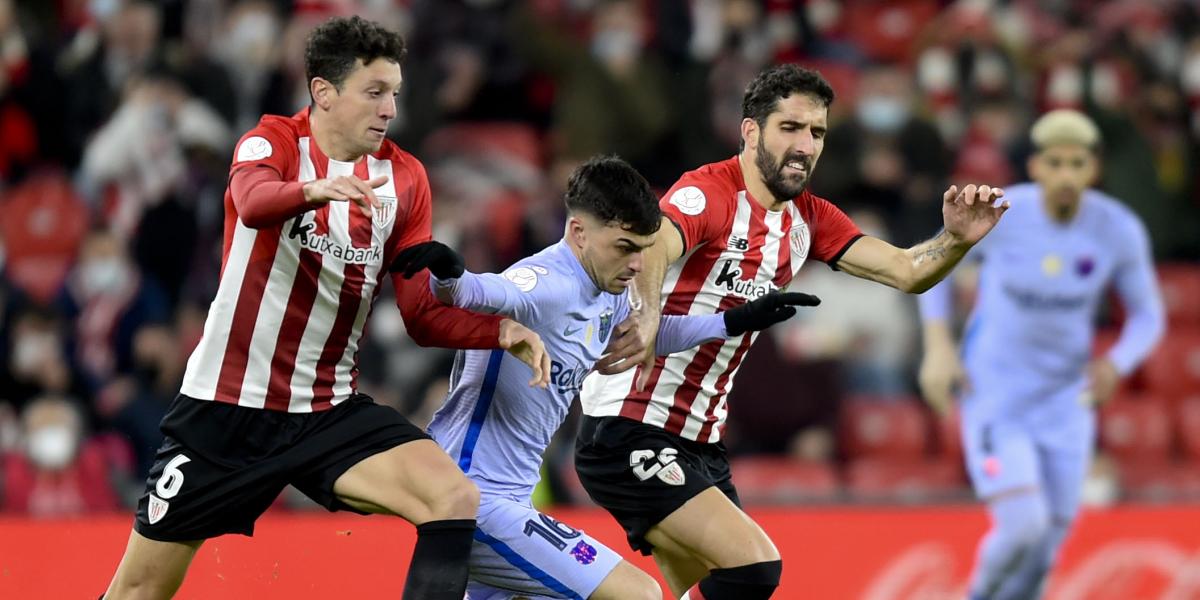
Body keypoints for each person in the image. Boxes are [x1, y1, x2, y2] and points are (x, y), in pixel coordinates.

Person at [102, 16, 550, 600]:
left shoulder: (406, 179)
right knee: (138, 591)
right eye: (374, 92)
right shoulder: (273, 141)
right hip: (224, 411)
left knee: (453, 497)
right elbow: (252, 200)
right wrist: (313, 190)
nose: (389, 107)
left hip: (326, 410)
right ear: (324, 92)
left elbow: (419, 316)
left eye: (394, 92)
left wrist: (500, 332)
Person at [574, 63, 1009, 600]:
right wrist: (643, 314)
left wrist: (956, 240)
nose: (805, 145)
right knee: (755, 567)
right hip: (629, 425)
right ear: (751, 131)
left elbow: (907, 270)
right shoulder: (708, 193)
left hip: (701, 441)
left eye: (817, 132)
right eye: (790, 128)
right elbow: (656, 246)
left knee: (721, 587)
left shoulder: (810, 218)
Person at [398, 155, 817, 600]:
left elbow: (652, 332)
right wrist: (448, 272)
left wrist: (733, 322)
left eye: (643, 248)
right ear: (579, 233)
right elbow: (480, 291)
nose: (638, 264)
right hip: (469, 500)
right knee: (638, 593)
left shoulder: (605, 290)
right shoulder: (543, 284)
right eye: (625, 247)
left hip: (510, 501)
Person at [917, 109, 1166, 600]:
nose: (1066, 176)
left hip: (1066, 404)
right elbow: (931, 264)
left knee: (1046, 549)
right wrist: (938, 347)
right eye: (1055, 163)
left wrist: (1118, 362)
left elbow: (1148, 316)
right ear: (1035, 167)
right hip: (995, 395)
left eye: (1077, 164)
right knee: (1023, 528)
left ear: (1093, 169)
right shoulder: (1002, 214)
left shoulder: (1117, 229)